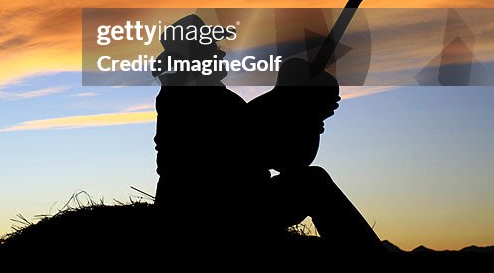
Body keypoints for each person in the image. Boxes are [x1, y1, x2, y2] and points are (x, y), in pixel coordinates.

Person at [152, 13, 385, 255]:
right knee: (314, 182)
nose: (220, 52)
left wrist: (303, 116)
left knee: (312, 181)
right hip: (221, 210)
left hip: (203, 204)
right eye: (211, 47)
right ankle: (370, 259)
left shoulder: (188, 96)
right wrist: (306, 117)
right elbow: (273, 155)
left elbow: (263, 144)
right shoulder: (195, 99)